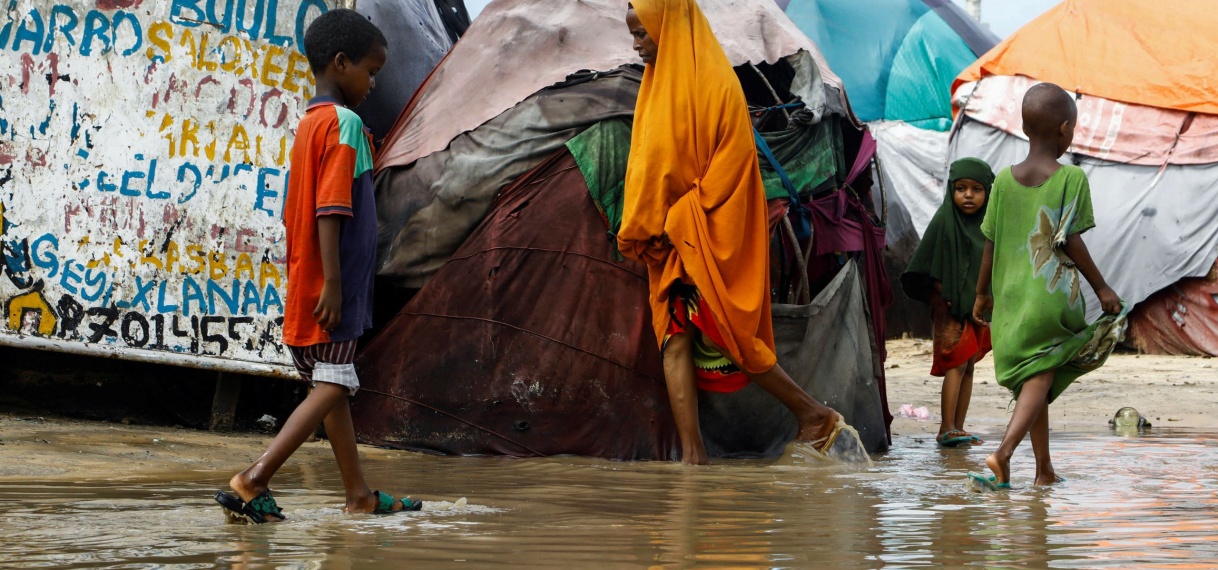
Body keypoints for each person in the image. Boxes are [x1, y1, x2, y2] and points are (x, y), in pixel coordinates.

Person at [619, 0, 848, 465]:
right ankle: (693, 456)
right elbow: (652, 163)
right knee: (675, 337)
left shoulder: (715, 85)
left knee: (729, 335)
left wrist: (678, 216)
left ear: (667, 26)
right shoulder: (655, 85)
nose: (636, 44)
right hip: (672, 239)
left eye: (643, 33)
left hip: (704, 227)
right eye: (634, 34)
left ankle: (814, 414)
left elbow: (731, 169)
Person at [214, 9, 419, 522]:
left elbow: (299, 210)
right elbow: (331, 208)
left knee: (333, 386)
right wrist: (333, 282)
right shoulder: (345, 124)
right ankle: (253, 478)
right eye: (371, 72)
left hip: (311, 280)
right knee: (336, 384)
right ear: (341, 62)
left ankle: (359, 496)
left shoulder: (310, 124)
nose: (373, 83)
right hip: (335, 286)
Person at [969, 83, 1126, 490]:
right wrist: (1103, 288)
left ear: (1023, 127)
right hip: (1050, 299)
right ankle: (1003, 454)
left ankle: (1044, 471)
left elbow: (990, 242)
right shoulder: (1070, 178)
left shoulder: (1001, 181)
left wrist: (982, 293)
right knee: (1040, 374)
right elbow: (1071, 239)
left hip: (1010, 299)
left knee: (1034, 377)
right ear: (1064, 129)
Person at [901, 158, 995, 448]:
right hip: (949, 307)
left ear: (988, 192)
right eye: (961, 188)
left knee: (969, 366)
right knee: (955, 364)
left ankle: (959, 426)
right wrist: (945, 292)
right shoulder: (944, 220)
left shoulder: (989, 228)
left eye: (977, 189)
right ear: (951, 191)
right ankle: (945, 427)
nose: (968, 195)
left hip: (976, 309)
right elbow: (923, 266)